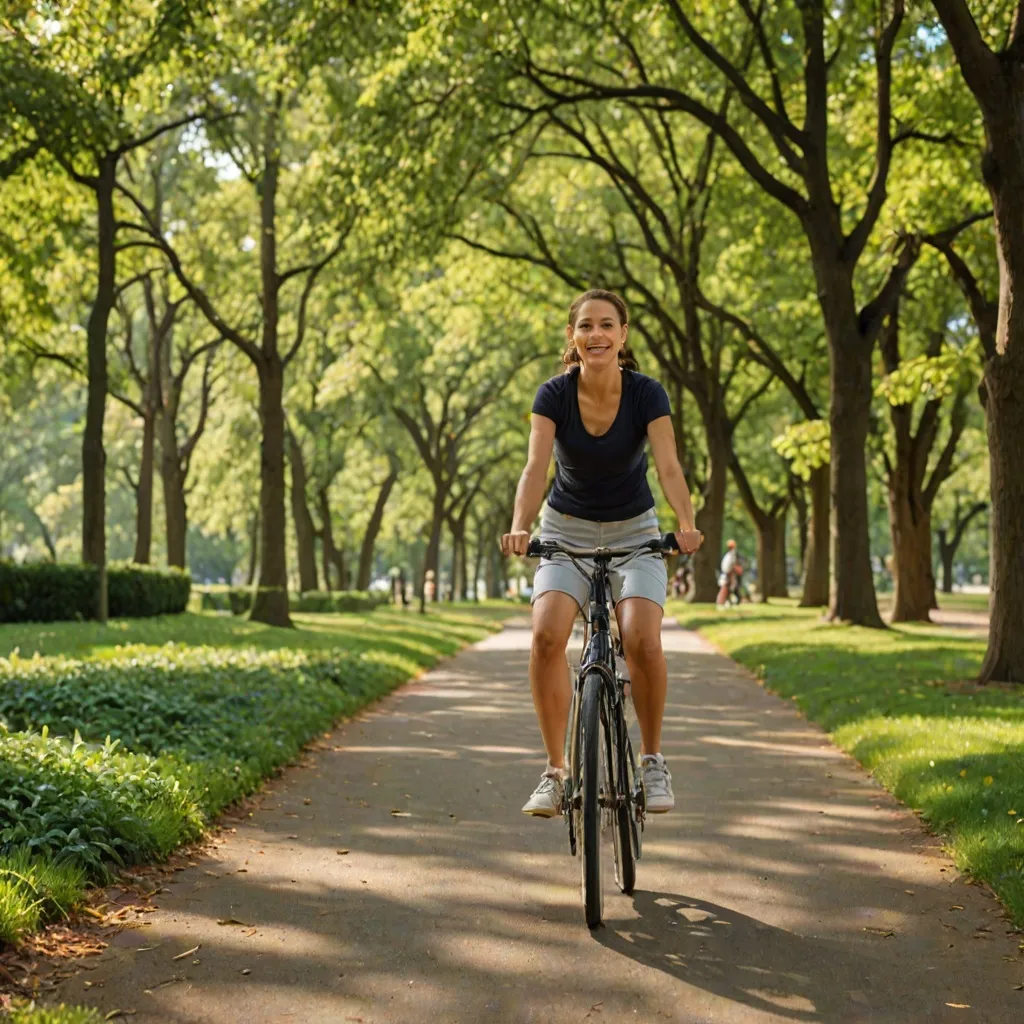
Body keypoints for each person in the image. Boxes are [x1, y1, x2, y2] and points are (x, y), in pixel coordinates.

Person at [500, 288, 703, 818]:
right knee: (546, 636)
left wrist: (686, 524)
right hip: (565, 531)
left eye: (607, 325)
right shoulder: (553, 395)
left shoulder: (646, 394)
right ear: (573, 337)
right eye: (586, 325)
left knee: (641, 637)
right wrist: (520, 526)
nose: (596, 334)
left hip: (635, 532)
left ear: (622, 335)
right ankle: (555, 772)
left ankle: (652, 760)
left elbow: (669, 467)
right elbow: (535, 469)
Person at [716, 539, 738, 608]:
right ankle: (721, 602)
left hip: (727, 574)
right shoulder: (730, 555)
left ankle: (727, 602)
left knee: (728, 590)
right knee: (725, 589)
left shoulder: (729, 555)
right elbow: (731, 566)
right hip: (727, 574)